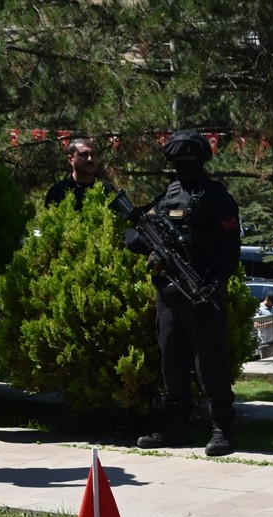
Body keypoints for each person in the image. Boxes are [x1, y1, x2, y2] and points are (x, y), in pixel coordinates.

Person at [125, 130, 241, 457]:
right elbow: (133, 236)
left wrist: (214, 285)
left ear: (201, 161)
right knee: (171, 361)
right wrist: (153, 245)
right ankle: (176, 426)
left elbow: (230, 253)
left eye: (190, 161)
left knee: (210, 364)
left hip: (203, 293)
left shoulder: (218, 198)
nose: (184, 167)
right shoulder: (166, 198)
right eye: (178, 162)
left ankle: (222, 427)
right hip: (170, 296)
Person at [44, 138, 114, 210]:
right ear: (71, 159)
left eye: (93, 154)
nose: (90, 159)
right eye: (84, 154)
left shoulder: (108, 189)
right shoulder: (58, 192)